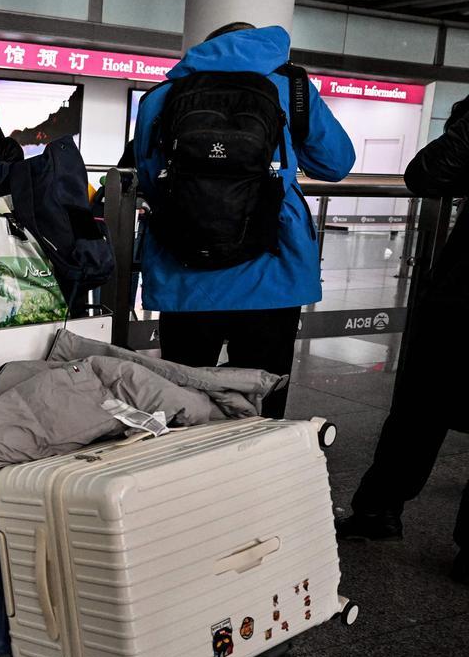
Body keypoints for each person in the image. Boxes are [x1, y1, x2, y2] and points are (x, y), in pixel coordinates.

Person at [134, 22, 355, 419]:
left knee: (185, 392)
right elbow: (336, 164)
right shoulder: (294, 89)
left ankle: (182, 473)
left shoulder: (163, 95)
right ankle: (256, 469)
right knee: (263, 393)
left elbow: (151, 179)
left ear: (205, 47)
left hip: (184, 270)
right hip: (273, 268)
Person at [336, 98, 469, 584]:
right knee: (420, 405)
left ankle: (378, 512)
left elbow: (427, 175)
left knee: (420, 405)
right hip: (461, 292)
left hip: (462, 293)